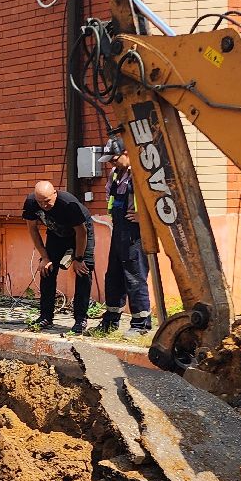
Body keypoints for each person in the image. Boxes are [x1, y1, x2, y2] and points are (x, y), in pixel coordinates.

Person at [22, 180, 93, 333]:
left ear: (55, 193)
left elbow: (82, 232)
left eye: (47, 201)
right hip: (56, 234)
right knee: (46, 270)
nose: (44, 205)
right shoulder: (31, 203)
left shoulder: (68, 204)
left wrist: (78, 259)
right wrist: (44, 257)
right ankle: (45, 317)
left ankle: (80, 319)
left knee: (83, 272)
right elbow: (32, 230)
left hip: (80, 233)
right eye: (40, 202)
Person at [100, 136, 153, 334]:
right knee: (113, 276)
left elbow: (161, 203)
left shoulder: (142, 174)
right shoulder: (116, 174)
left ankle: (141, 325)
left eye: (114, 159)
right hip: (119, 231)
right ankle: (111, 320)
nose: (112, 163)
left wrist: (144, 218)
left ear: (127, 153)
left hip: (135, 234)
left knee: (134, 277)